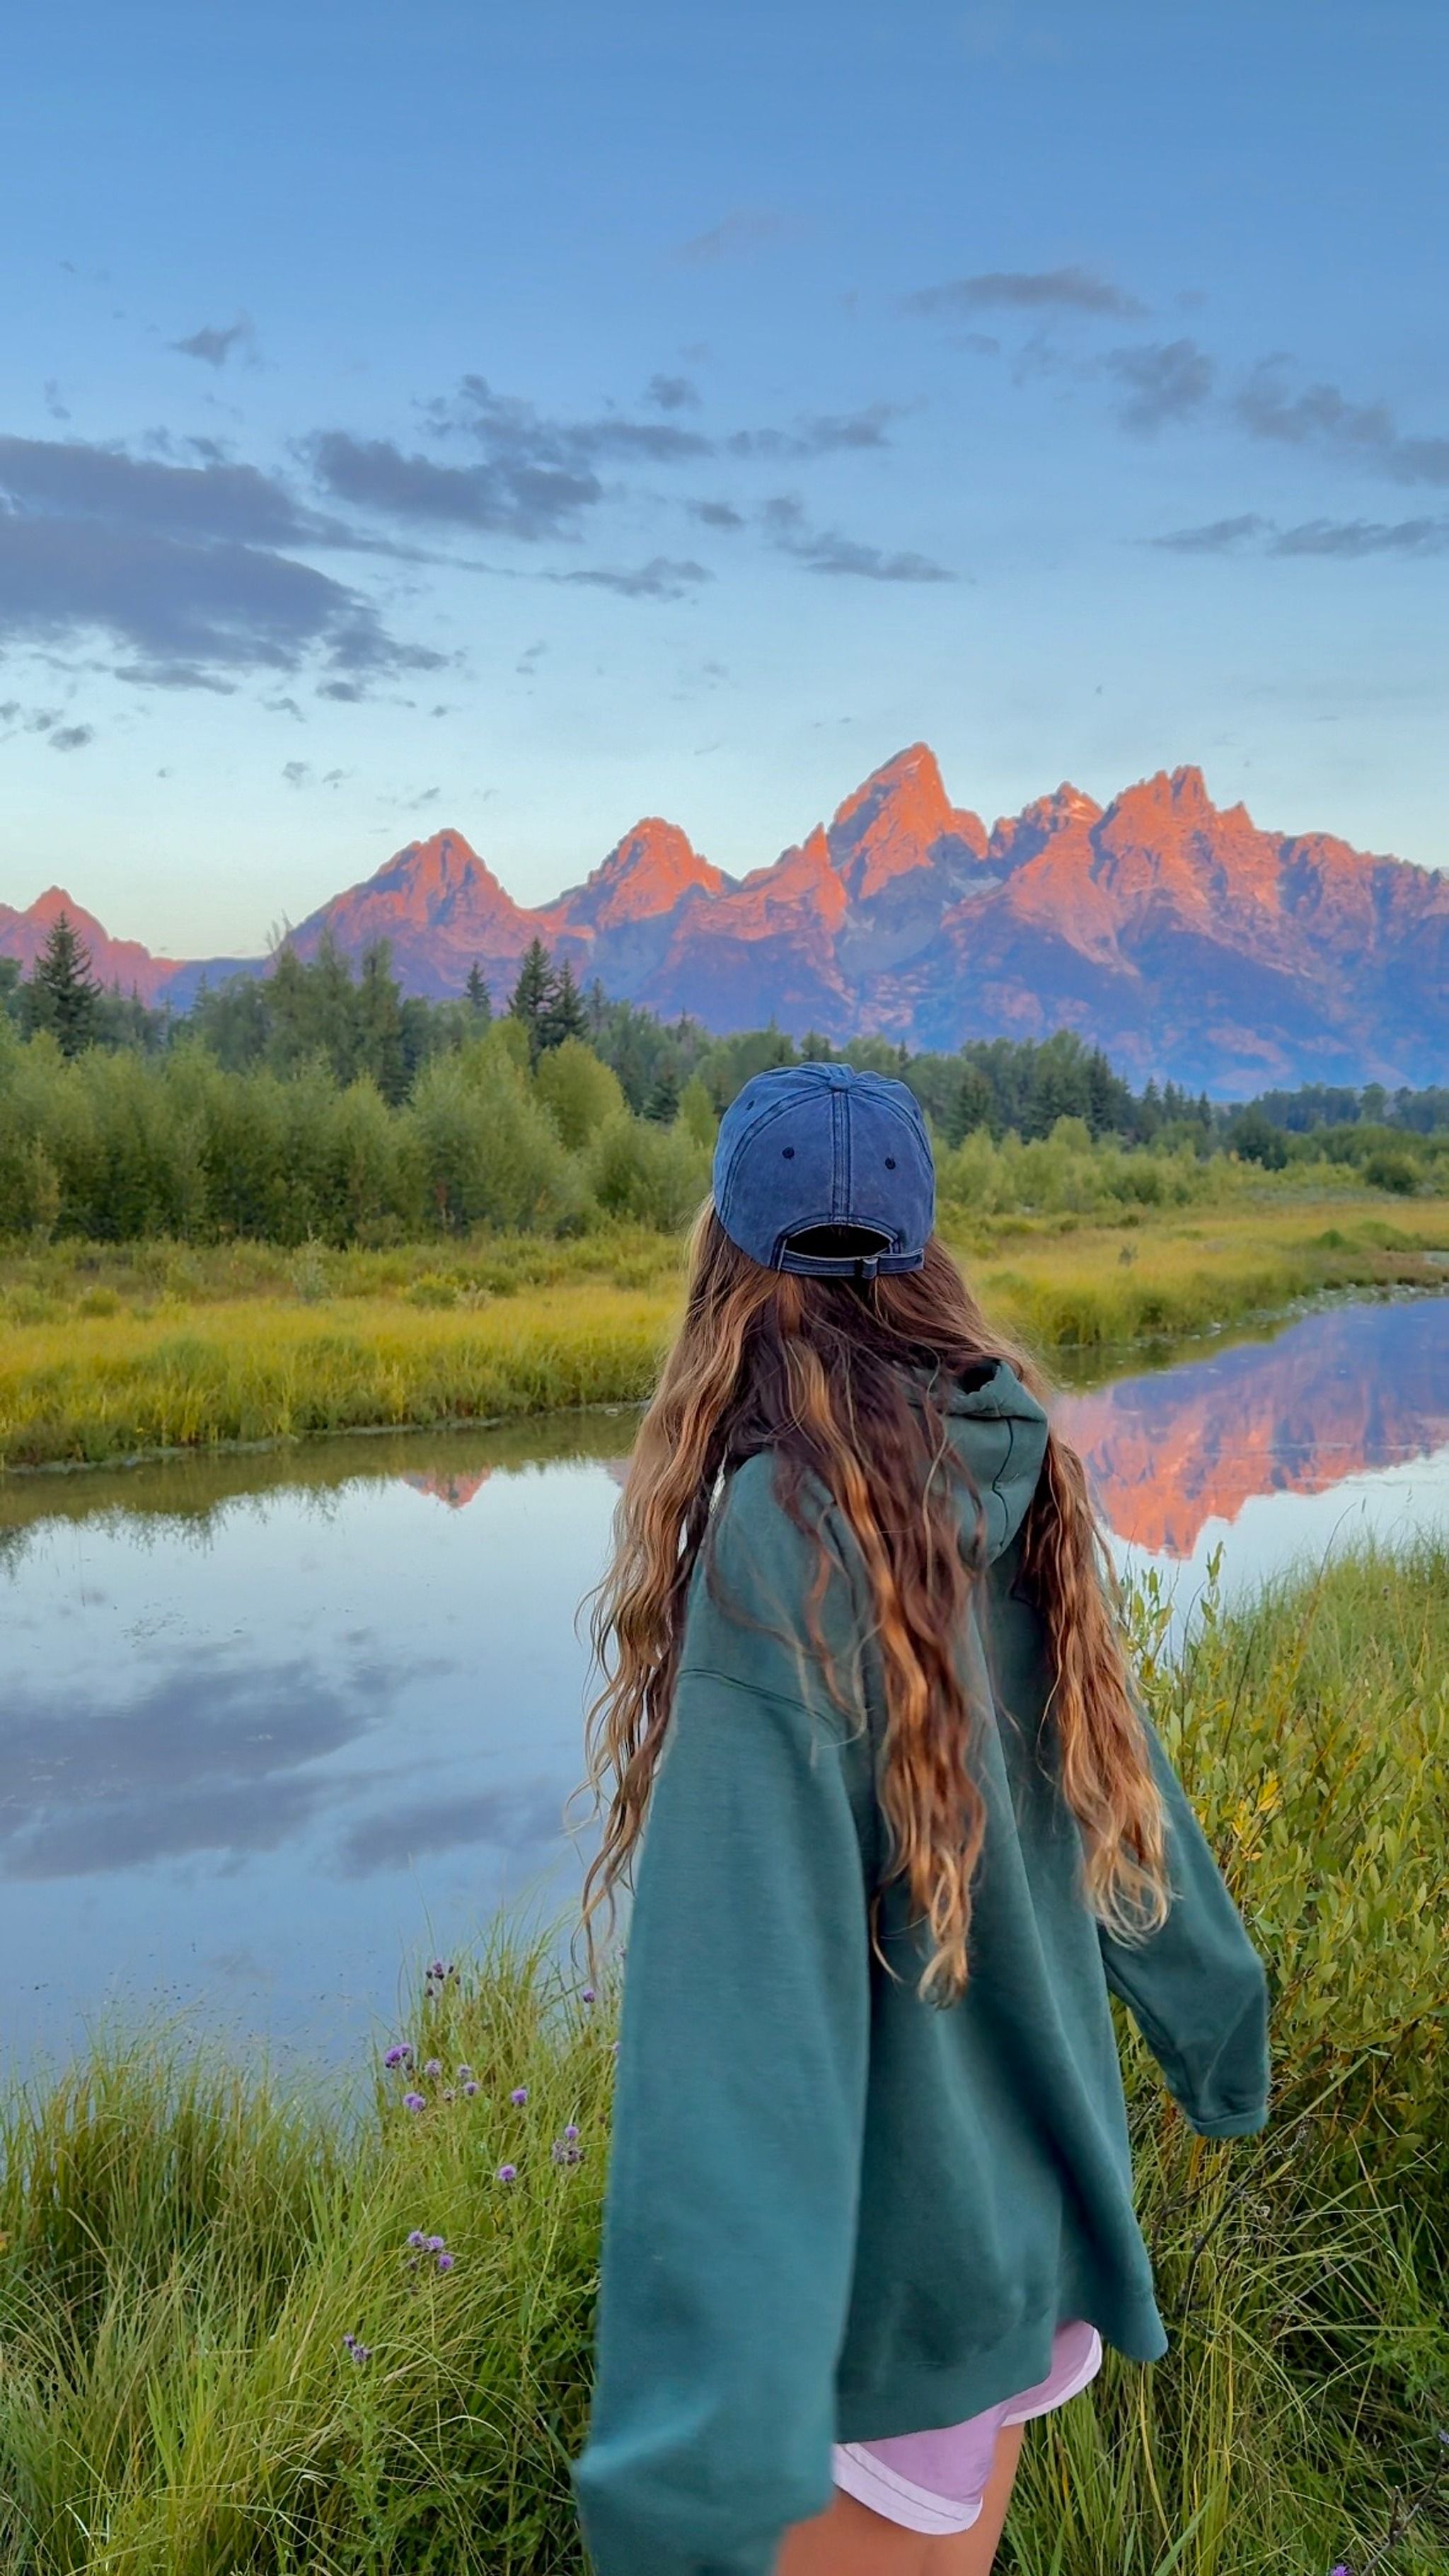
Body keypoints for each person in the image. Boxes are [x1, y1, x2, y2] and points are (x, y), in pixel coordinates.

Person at [572, 1062, 1271, 2576]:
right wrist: (1220, 2035)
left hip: (880, 2309)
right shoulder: (1010, 1469)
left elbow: (736, 2022)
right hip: (1021, 2249)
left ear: (727, 1274)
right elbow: (1131, 1814)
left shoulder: (777, 1540)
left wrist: (690, 2454)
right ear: (922, 1262)